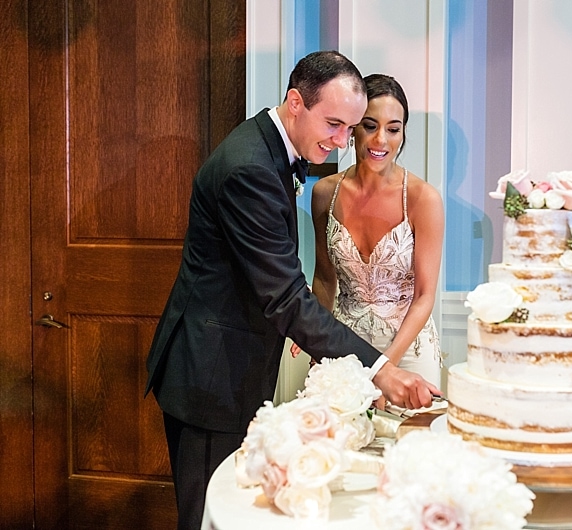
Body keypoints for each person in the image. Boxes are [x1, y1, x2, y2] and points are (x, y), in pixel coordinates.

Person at [144, 51, 438, 530]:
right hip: (212, 374)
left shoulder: (270, 148)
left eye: (350, 127)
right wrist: (380, 370)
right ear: (296, 102)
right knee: (207, 517)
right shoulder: (250, 168)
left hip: (232, 363)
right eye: (336, 124)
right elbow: (284, 295)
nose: (344, 142)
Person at [308, 73, 444, 388]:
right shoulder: (325, 193)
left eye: (393, 129)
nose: (381, 140)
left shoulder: (423, 199)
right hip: (344, 347)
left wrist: (385, 368)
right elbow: (325, 279)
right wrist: (315, 337)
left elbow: (425, 295)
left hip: (407, 349)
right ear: (353, 128)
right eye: (370, 126)